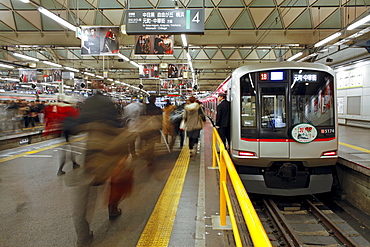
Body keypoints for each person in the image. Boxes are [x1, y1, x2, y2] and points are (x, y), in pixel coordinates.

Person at [68, 81, 135, 247]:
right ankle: (113, 209)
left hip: (91, 163)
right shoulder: (115, 124)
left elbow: (73, 128)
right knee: (116, 184)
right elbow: (124, 139)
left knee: (82, 205)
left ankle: (83, 238)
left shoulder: (87, 123)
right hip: (111, 162)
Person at [142, 95, 162, 165]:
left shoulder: (144, 109)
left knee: (146, 142)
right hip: (154, 128)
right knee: (152, 143)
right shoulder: (158, 109)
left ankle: (148, 156)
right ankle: (150, 157)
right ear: (154, 100)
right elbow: (160, 119)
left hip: (145, 128)